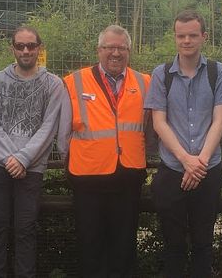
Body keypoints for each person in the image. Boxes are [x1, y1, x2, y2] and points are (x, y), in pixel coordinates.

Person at [144, 10, 222, 277]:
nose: (186, 41)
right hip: (172, 170)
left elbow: (220, 122)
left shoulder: (219, 72)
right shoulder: (162, 74)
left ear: (203, 37)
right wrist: (186, 161)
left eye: (193, 35)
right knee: (173, 245)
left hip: (208, 170)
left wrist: (199, 165)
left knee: (204, 242)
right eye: (181, 36)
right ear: (175, 37)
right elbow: (159, 123)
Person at [58, 24, 151, 277]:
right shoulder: (73, 82)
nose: (116, 53)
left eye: (121, 48)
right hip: (87, 178)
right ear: (99, 50)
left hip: (128, 178)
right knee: (90, 248)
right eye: (110, 47)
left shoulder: (145, 82)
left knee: (124, 249)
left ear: (129, 51)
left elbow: (152, 127)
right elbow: (62, 132)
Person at [0, 26, 67, 278]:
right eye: (20, 46)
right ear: (13, 49)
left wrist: (23, 158)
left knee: (26, 229)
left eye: (31, 45)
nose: (26, 50)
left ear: (39, 48)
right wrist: (10, 157)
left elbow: (49, 126)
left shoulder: (53, 84)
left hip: (31, 167)